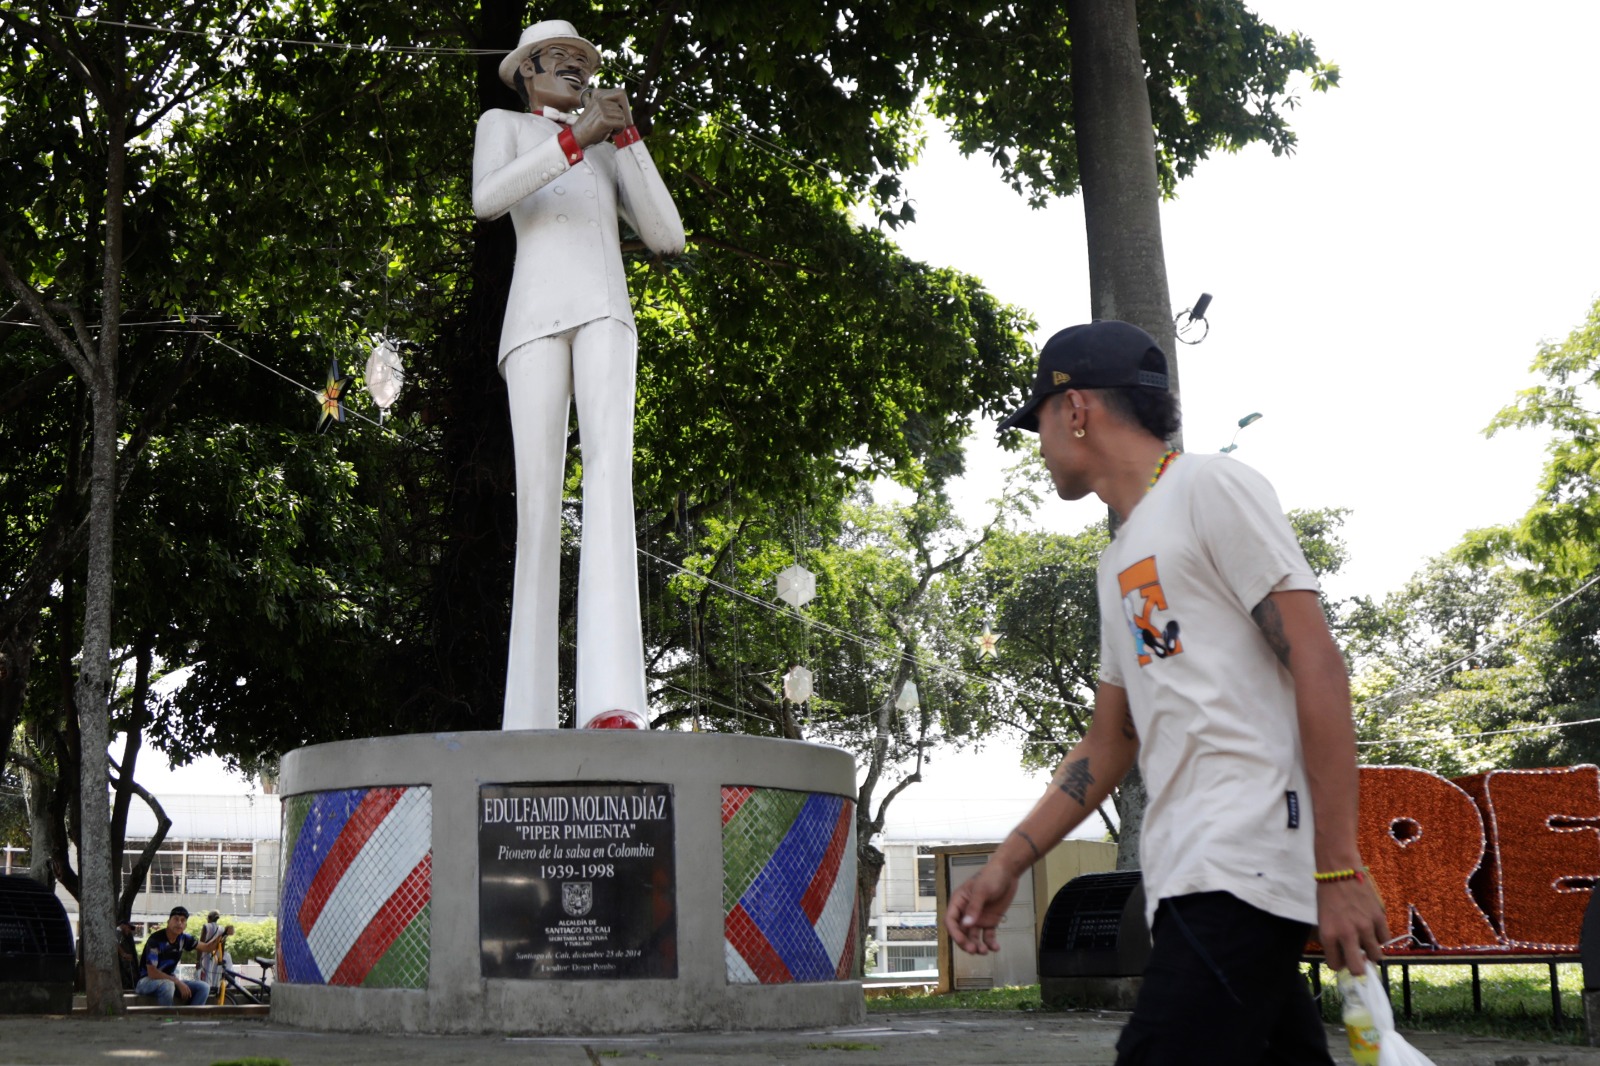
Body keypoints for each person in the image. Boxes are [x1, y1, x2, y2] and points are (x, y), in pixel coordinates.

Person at [945, 321, 1389, 1064]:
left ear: (1076, 409)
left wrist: (1338, 866)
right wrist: (1008, 863)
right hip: (1188, 872)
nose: (1039, 444)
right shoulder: (1118, 557)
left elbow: (1317, 662)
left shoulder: (1209, 487)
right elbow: (1109, 742)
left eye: (1040, 421)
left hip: (1239, 858)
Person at [473, 19, 684, 731]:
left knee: (609, 481)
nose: (574, 68)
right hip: (533, 316)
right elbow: (487, 199)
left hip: (605, 312)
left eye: (582, 60)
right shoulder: (503, 124)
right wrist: (574, 139)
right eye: (559, 58)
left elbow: (667, 236)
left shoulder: (604, 145)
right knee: (536, 503)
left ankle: (613, 698)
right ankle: (527, 712)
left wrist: (624, 138)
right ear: (527, 70)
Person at [136, 906, 217, 1007]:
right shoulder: (156, 939)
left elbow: (207, 947)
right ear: (168, 922)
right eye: (176, 919)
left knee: (204, 987)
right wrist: (176, 981)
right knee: (168, 985)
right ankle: (168, 1016)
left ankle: (191, 1015)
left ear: (185, 925)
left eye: (183, 920)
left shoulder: (184, 938)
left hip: (169, 981)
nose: (179, 923)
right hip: (146, 982)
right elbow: (152, 973)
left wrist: (224, 934)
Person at [195, 910, 232, 998]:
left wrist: (198, 960)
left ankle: (205, 996)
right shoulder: (222, 929)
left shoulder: (206, 926)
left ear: (209, 918)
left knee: (204, 978)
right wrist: (221, 959)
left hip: (205, 956)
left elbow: (201, 944)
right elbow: (222, 945)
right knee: (214, 978)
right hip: (217, 956)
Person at [115, 922, 138, 990]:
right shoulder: (118, 932)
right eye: (128, 927)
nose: (129, 930)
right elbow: (115, 943)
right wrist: (124, 954)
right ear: (123, 925)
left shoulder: (124, 934)